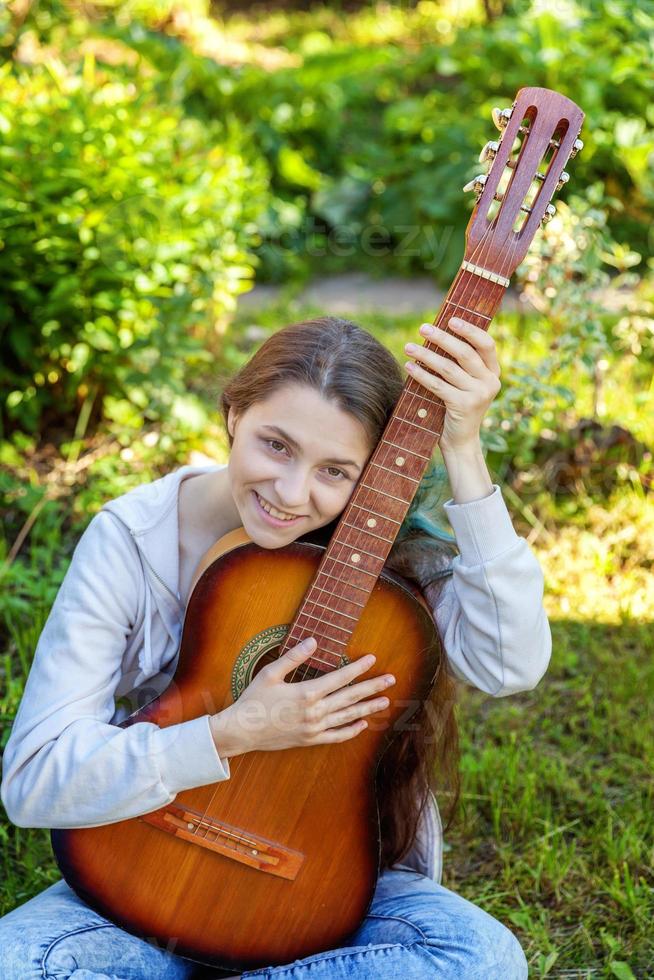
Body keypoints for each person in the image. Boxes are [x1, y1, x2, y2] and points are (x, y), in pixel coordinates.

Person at [0, 315, 551, 979]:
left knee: (484, 960)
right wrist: (231, 732)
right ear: (234, 413)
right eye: (277, 446)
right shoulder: (132, 541)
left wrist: (462, 448)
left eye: (336, 471)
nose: (292, 495)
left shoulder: (380, 547)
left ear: (372, 478)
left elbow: (510, 666)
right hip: (144, 868)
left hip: (330, 889)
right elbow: (32, 783)